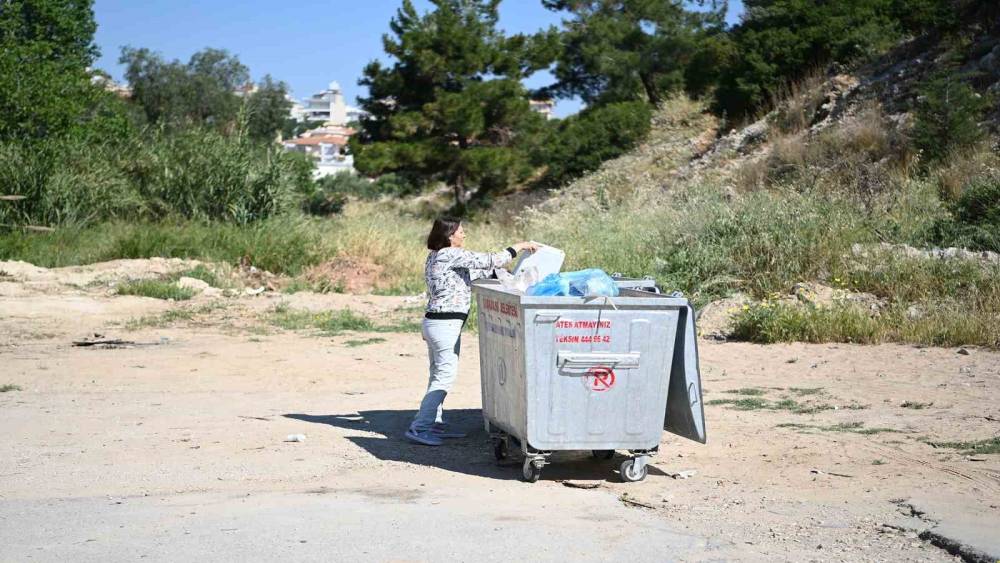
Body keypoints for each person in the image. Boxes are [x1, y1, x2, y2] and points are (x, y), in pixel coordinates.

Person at [405, 217, 537, 446]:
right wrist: (520, 246)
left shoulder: (438, 256)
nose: (464, 235)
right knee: (444, 377)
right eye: (461, 231)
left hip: (437, 323)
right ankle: (420, 427)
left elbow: (472, 275)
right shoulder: (449, 253)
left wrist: (502, 274)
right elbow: (490, 260)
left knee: (437, 374)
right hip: (444, 325)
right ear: (450, 236)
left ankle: (433, 422)